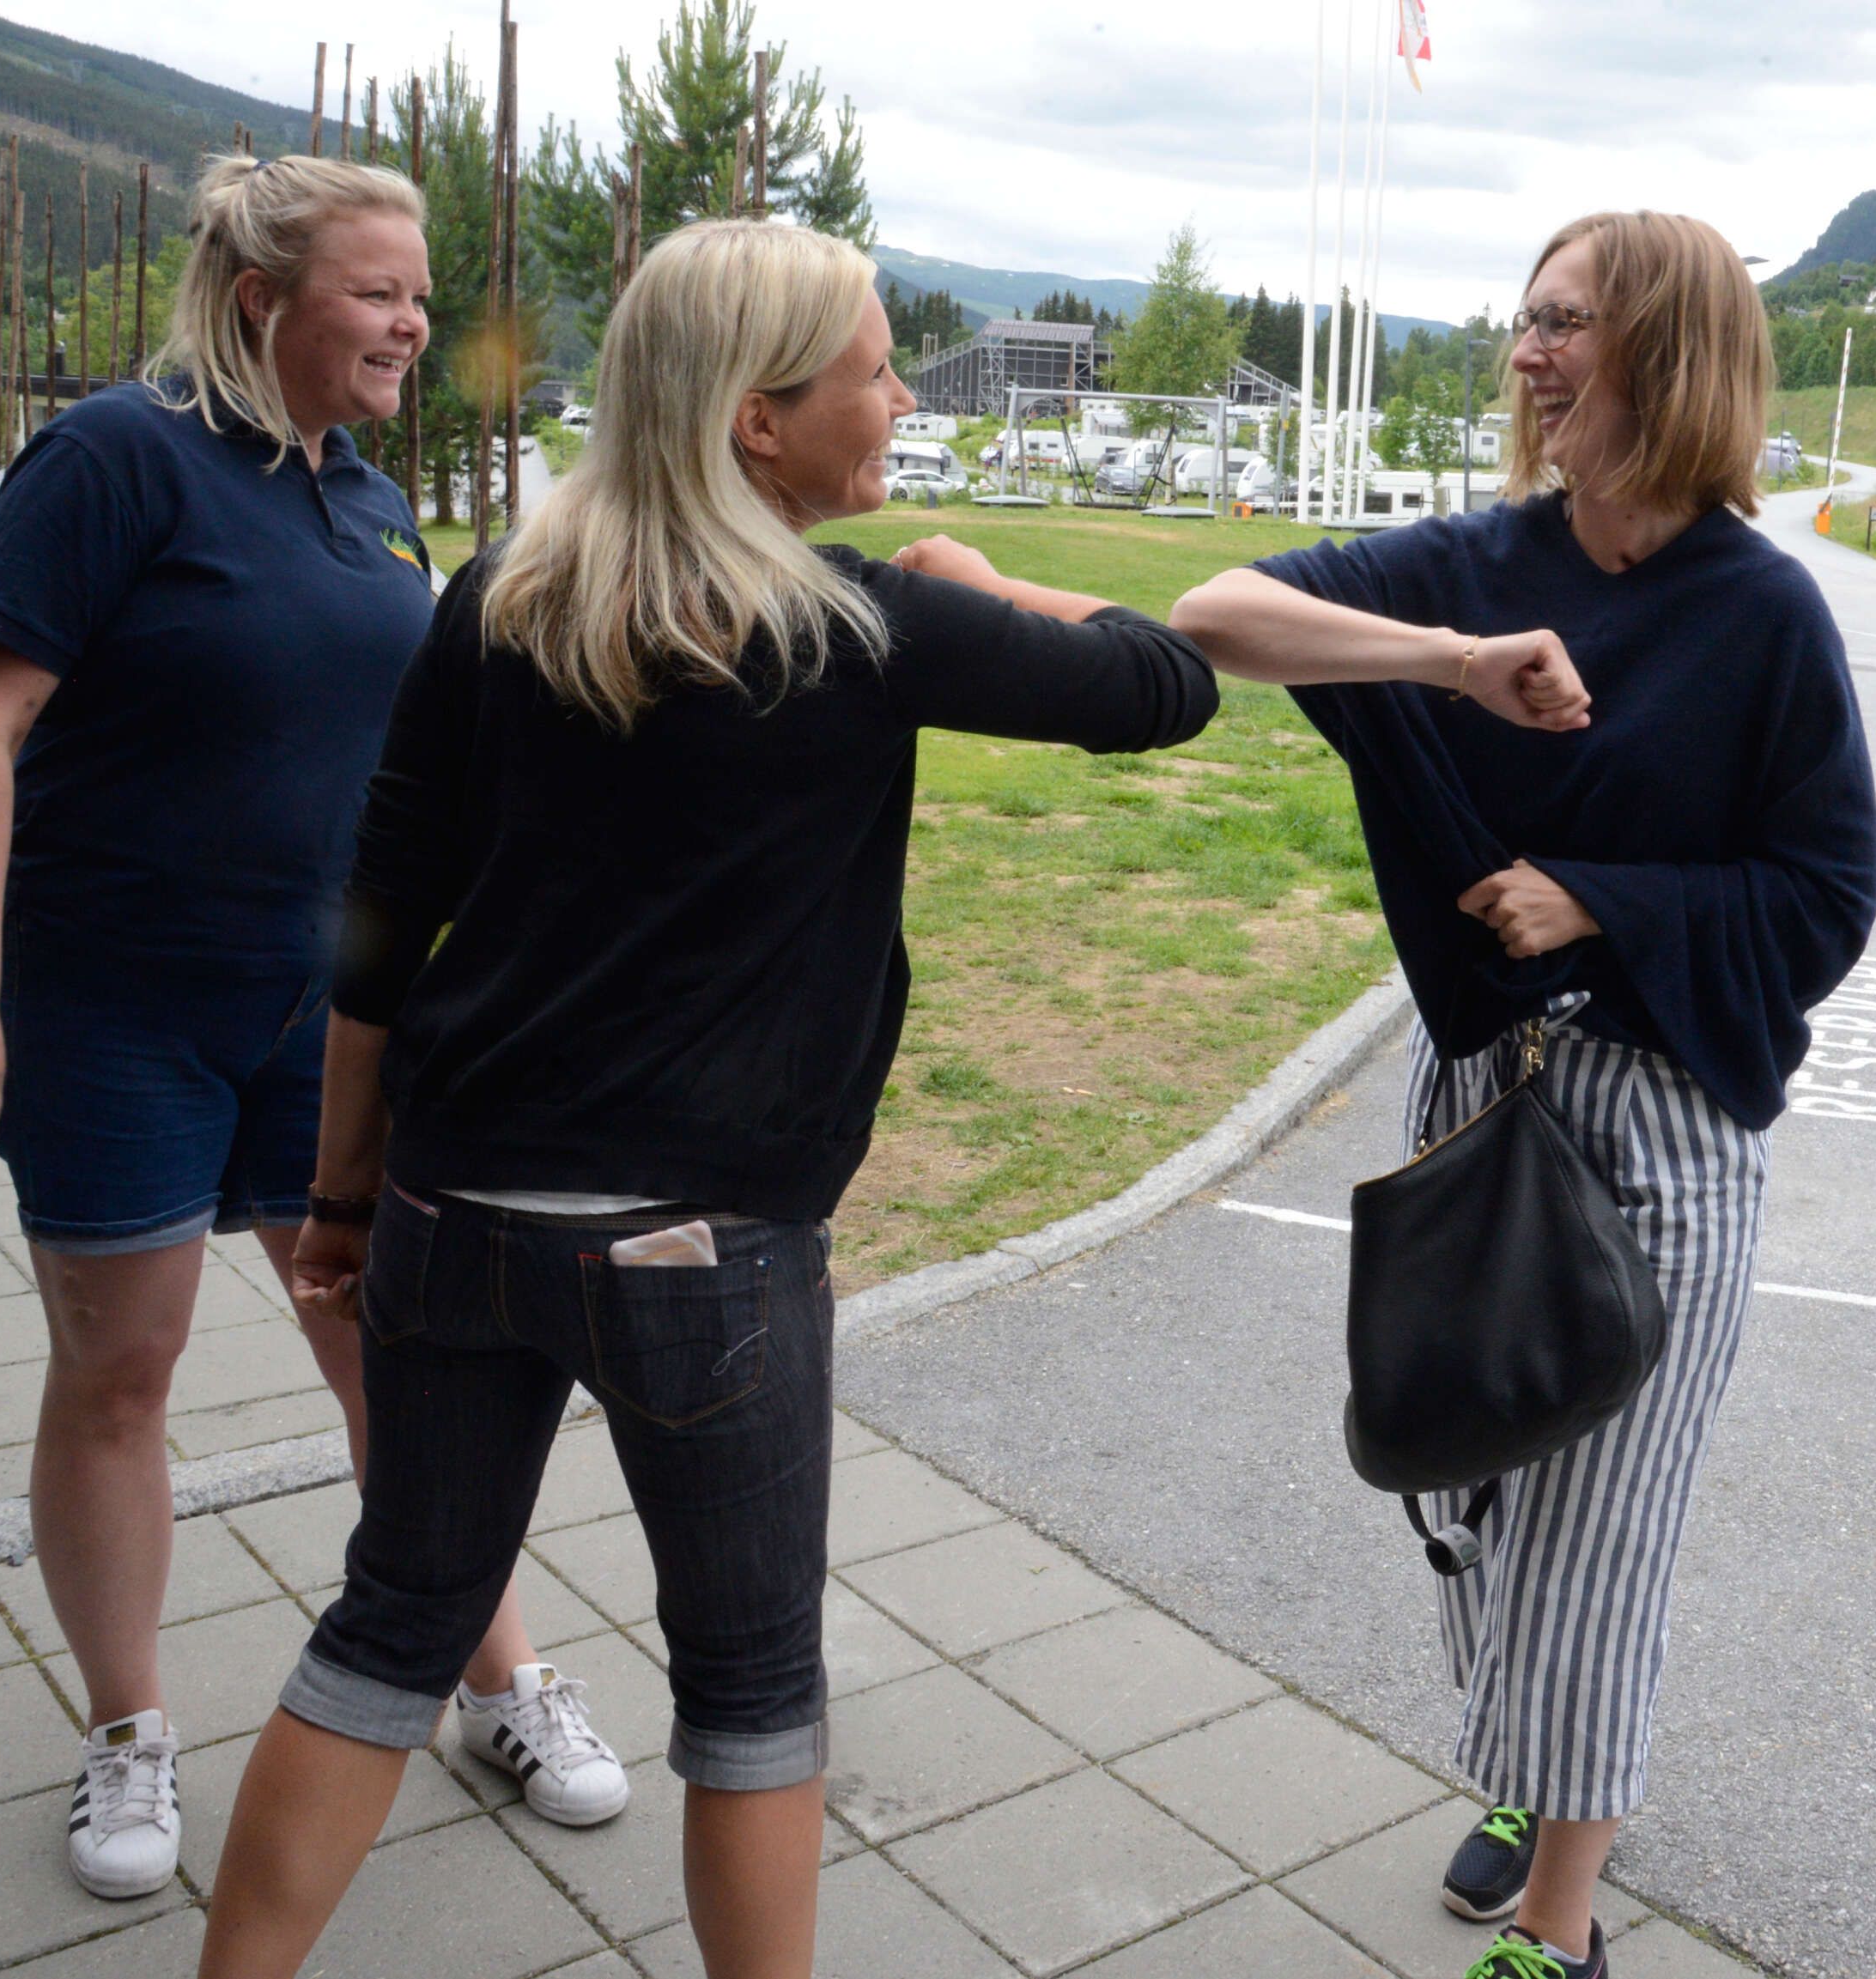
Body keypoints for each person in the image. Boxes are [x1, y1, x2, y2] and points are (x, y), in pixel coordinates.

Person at [189, 216, 1590, 1979]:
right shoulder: (861, 625)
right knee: (751, 1689)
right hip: (707, 1255)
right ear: (757, 420)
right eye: (874, 370)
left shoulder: (503, 598)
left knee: (390, 1626)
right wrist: (983, 583)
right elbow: (1162, 688)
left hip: (452, 1216)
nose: (906, 397)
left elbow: (383, 928)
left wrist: (339, 1198)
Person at [0, 153, 614, 1903]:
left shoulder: (367, 500)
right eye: (377, 291)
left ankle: (494, 1680)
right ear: (260, 297)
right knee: (120, 1369)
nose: (413, 323)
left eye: (421, 295)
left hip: (324, 1024)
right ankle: (127, 1725)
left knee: (396, 1365)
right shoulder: (115, 458)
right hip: (114, 1006)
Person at [1169, 210, 1876, 1979]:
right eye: (1527, 318)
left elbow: (1825, 899)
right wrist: (1444, 658)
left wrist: (1602, 901)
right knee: (1474, 1490)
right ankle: (1532, 1769)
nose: (1526, 353)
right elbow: (1214, 615)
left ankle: (1560, 1927)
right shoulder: (1478, 563)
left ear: (1668, 350)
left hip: (1663, 1126)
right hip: (1485, 1100)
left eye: (1565, 322)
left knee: (1602, 1529)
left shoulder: (1763, 614)